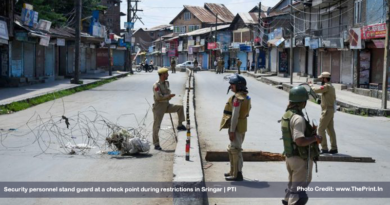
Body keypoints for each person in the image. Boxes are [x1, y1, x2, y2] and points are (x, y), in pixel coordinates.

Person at [281, 86, 322, 205]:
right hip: (300, 159)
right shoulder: (298, 118)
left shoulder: (287, 115)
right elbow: (299, 140)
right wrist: (315, 138)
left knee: (292, 188)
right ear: (302, 102)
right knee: (299, 195)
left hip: (290, 157)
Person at [220, 74, 251, 181]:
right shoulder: (245, 96)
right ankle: (233, 171)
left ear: (239, 86)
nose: (230, 86)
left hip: (237, 127)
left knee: (235, 150)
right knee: (233, 149)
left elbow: (235, 116)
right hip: (241, 126)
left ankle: (237, 174)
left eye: (232, 84)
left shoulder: (238, 99)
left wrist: (232, 131)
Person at [152, 68, 186, 150]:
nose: (168, 75)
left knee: (180, 108)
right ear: (162, 75)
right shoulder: (156, 85)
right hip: (159, 107)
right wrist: (168, 96)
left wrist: (168, 97)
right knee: (156, 126)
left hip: (166, 105)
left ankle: (180, 125)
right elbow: (158, 97)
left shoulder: (166, 83)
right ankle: (156, 144)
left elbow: (167, 93)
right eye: (166, 74)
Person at [311, 72, 337, 154]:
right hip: (330, 110)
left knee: (321, 129)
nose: (321, 80)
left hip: (326, 111)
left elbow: (316, 90)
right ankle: (334, 148)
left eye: (322, 78)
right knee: (330, 130)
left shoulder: (327, 86)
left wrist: (311, 85)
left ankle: (324, 148)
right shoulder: (331, 86)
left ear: (325, 78)